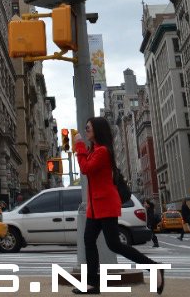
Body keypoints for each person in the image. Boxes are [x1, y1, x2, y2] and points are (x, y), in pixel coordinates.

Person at [74, 117, 164, 295]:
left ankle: (153, 267)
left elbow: (85, 169)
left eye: (88, 128)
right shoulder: (94, 151)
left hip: (105, 204)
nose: (85, 131)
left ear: (98, 130)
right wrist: (84, 149)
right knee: (89, 241)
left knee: (114, 244)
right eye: (85, 128)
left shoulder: (102, 152)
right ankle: (92, 283)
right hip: (95, 206)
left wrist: (79, 146)